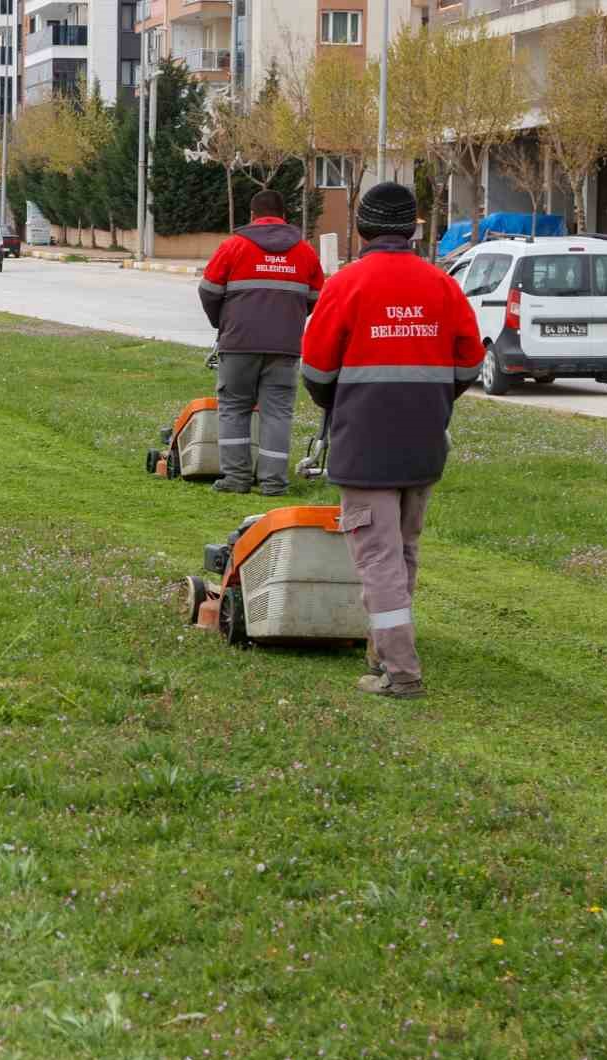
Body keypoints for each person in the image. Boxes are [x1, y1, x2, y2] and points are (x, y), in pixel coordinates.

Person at [300, 182, 484, 699]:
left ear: (362, 227)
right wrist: (433, 399)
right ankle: (382, 648)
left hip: (365, 444)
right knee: (402, 551)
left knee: (378, 557)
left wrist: (335, 403)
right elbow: (469, 362)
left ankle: (400, 672)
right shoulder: (442, 284)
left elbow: (316, 367)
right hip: (423, 441)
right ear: (413, 228)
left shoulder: (347, 284)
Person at [198, 189, 325, 495]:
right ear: (284, 217)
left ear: (252, 216)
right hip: (285, 346)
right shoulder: (305, 252)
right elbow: (317, 298)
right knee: (278, 412)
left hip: (238, 342)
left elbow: (208, 291)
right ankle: (273, 482)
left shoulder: (233, 247)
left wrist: (222, 323)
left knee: (234, 407)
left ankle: (236, 478)